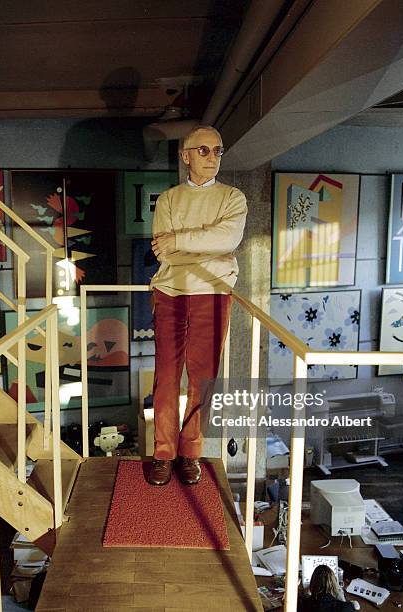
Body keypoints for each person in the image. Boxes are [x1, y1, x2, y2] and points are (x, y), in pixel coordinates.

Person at [147, 125, 248, 486]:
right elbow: (164, 251)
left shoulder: (233, 197)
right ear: (185, 155)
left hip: (214, 293)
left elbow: (229, 237)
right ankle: (163, 453)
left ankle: (190, 453)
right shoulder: (169, 200)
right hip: (170, 292)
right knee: (166, 378)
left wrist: (181, 243)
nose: (211, 157)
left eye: (217, 150)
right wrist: (209, 250)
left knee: (202, 379)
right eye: (202, 150)